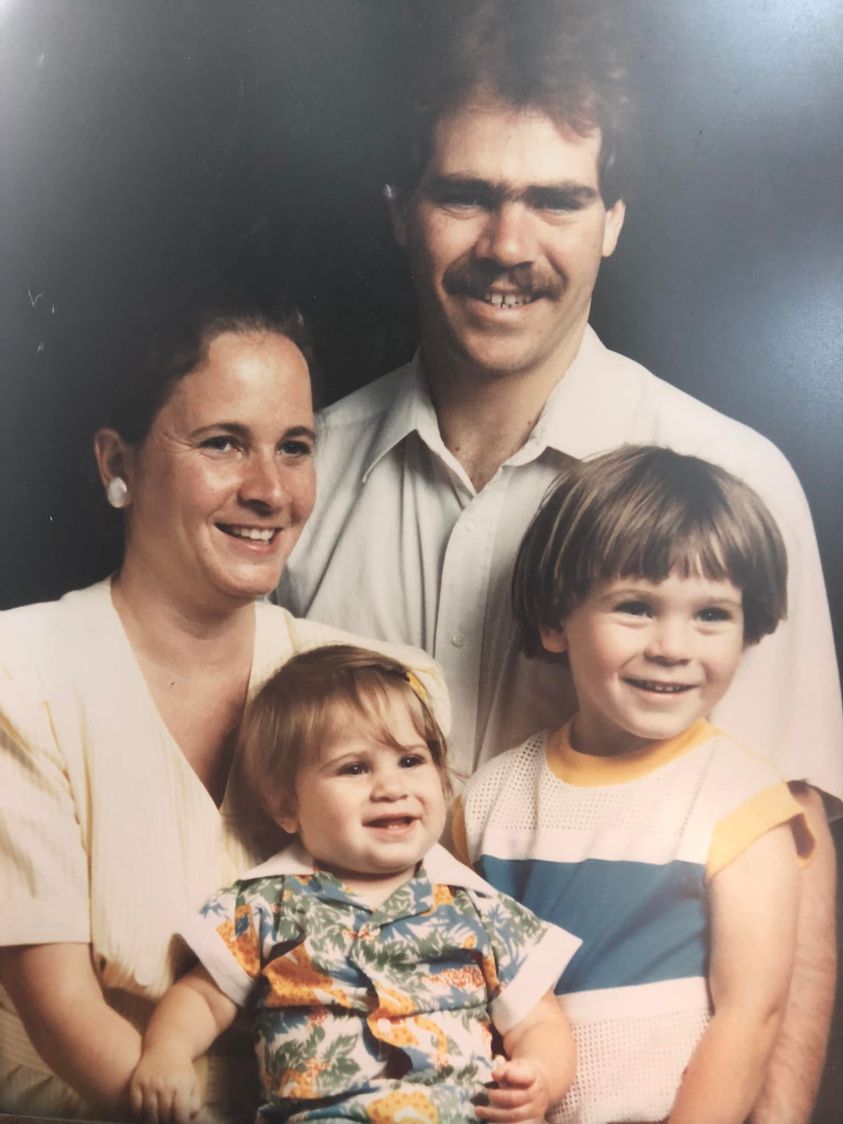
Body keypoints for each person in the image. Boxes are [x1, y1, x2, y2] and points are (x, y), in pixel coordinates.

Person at [276, 3, 841, 1117]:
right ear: (400, 211)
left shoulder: (730, 480)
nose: (508, 245)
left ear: (612, 219)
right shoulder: (301, 477)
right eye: (466, 194)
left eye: (558, 200)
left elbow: (794, 882)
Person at [0, 286, 447, 1122]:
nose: (270, 490)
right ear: (117, 463)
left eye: (294, 447)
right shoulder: (20, 676)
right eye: (222, 443)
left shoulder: (386, 687)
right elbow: (60, 1011)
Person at [456, 445, 813, 1123]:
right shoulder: (489, 800)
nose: (672, 647)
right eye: (636, 608)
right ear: (554, 622)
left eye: (711, 614)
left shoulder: (740, 801)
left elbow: (751, 1015)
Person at [128, 644, 578, 1124]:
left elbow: (540, 1022)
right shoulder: (267, 904)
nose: (391, 788)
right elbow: (201, 997)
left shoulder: (481, 909)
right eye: (354, 768)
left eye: (410, 761)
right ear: (285, 804)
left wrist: (539, 1078)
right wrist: (167, 1053)